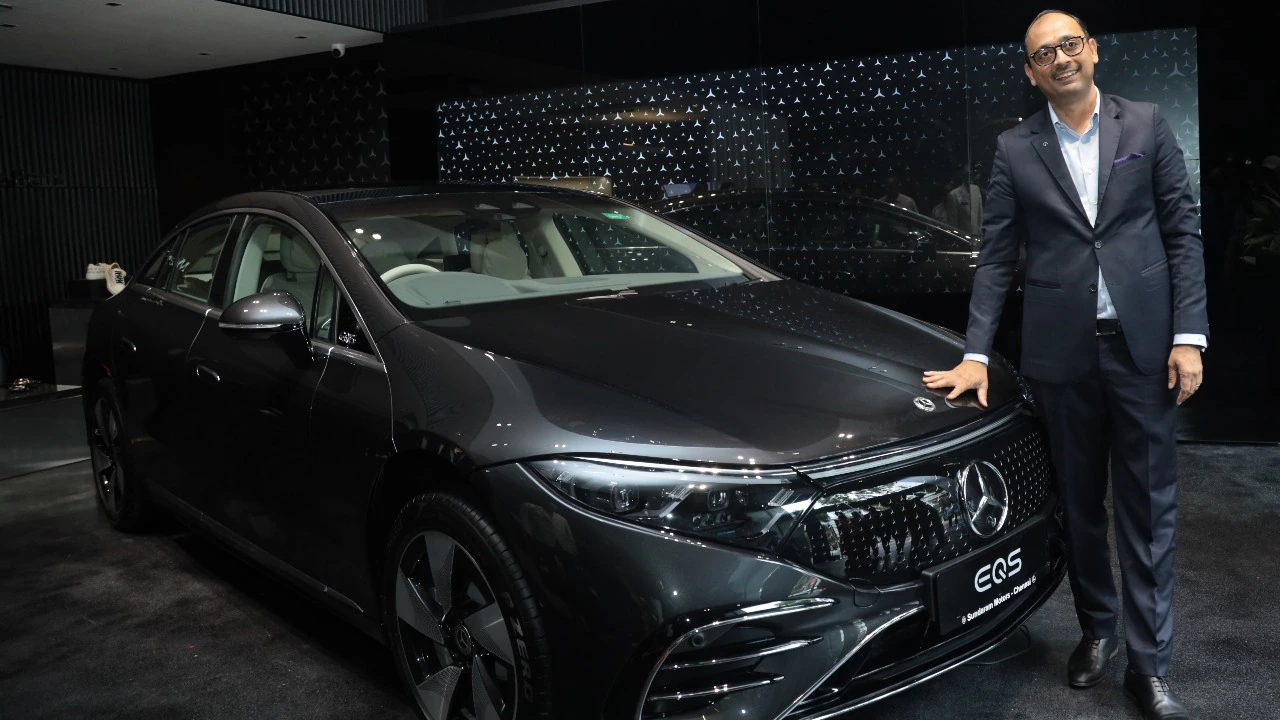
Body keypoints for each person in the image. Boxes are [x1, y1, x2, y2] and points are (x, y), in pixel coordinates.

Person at [922, 10, 1206, 720]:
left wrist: (1189, 335)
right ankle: (1097, 629)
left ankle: (1149, 665)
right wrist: (976, 353)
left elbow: (1182, 232)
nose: (1060, 58)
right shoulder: (1015, 148)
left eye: (1069, 44)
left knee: (1148, 510)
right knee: (1078, 506)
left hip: (1145, 351)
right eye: (1044, 53)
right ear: (1031, 71)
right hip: (1061, 356)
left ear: (1093, 50)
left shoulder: (1146, 124)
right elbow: (996, 257)